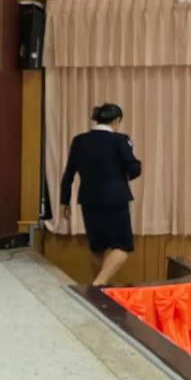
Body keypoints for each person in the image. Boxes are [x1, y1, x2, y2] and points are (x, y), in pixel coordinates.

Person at [59, 102, 142, 286]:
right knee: (122, 246)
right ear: (117, 120)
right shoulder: (121, 140)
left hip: (89, 200)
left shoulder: (79, 140)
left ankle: (101, 287)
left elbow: (69, 173)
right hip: (116, 199)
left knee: (98, 247)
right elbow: (133, 167)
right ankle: (98, 284)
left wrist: (64, 201)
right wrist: (131, 170)